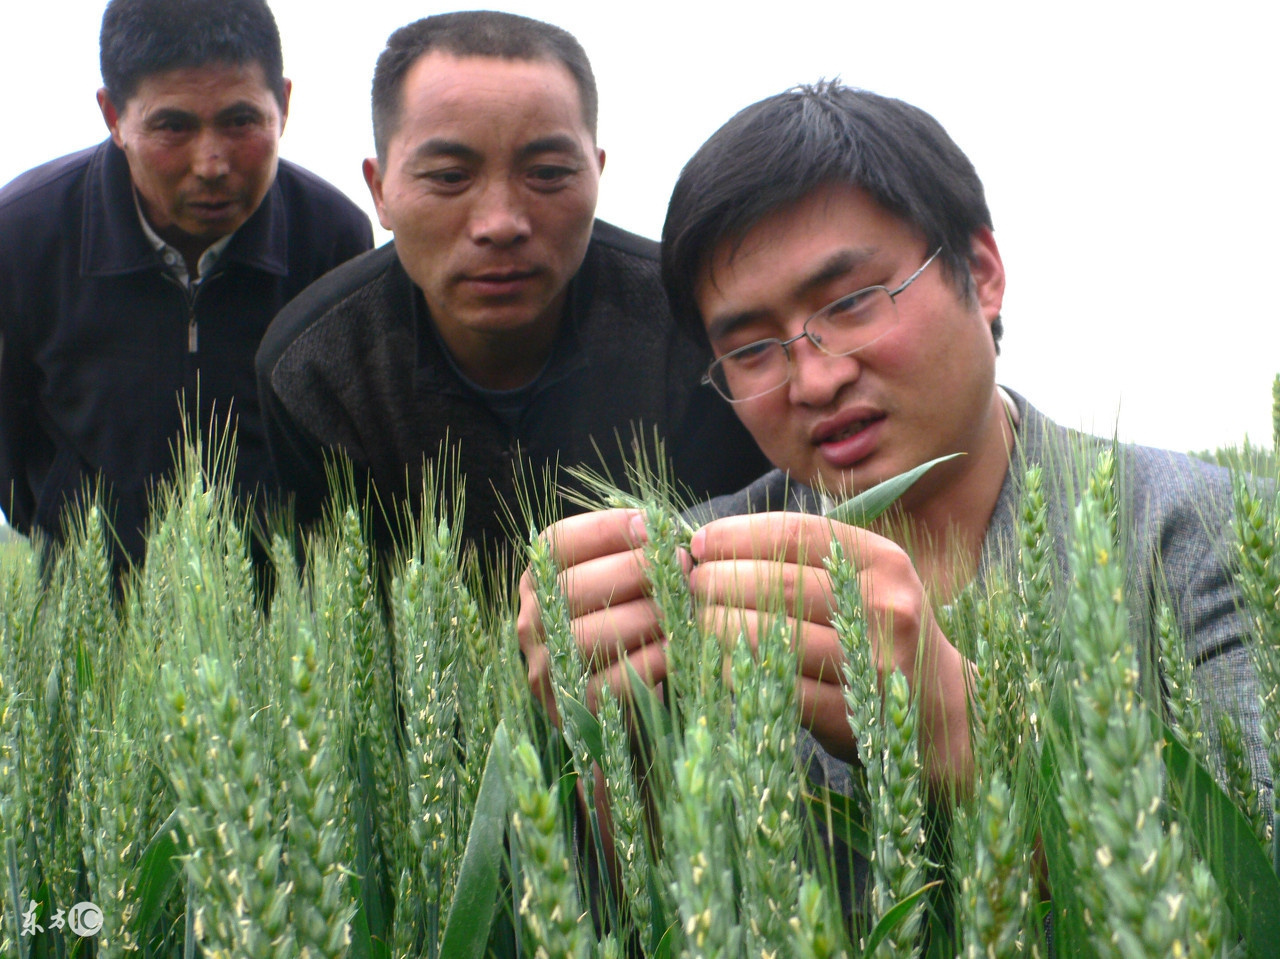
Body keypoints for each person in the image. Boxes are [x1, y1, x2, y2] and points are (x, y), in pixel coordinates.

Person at [517, 82, 1269, 802]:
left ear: (981, 272)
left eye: (851, 303)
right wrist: (610, 750)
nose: (813, 380)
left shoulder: (1214, 530)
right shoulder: (691, 574)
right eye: (750, 350)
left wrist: (965, 732)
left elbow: (1251, 872)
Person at [255, 11, 769, 557]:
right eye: (450, 177)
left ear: (596, 172)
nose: (501, 223)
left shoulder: (691, 329)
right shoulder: (315, 369)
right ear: (380, 190)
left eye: (547, 173)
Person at [0, 0, 373, 566]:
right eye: (173, 125)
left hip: (281, 625)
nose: (211, 163)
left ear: (285, 104)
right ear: (113, 117)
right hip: (91, 617)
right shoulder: (25, 235)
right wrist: (65, 523)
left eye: (240, 121)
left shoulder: (331, 236)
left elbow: (343, 449)